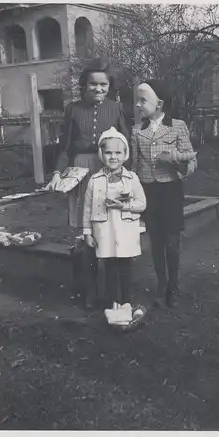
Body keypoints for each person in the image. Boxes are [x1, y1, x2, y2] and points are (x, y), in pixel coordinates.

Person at [47, 57, 130, 308]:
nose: (98, 89)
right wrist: (57, 173)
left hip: (109, 171)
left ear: (109, 86)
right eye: (93, 84)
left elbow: (126, 146)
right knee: (85, 233)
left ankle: (111, 293)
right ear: (84, 85)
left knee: (108, 227)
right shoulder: (73, 109)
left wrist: (127, 178)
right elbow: (65, 146)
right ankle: (89, 291)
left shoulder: (116, 108)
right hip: (82, 172)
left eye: (103, 85)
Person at [131, 80, 197, 309]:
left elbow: (192, 160)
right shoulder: (137, 130)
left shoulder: (177, 126)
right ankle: (161, 285)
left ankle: (173, 287)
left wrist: (177, 161)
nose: (138, 105)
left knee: (172, 242)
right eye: (137, 100)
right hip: (148, 190)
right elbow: (134, 167)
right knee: (156, 242)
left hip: (170, 190)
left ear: (159, 103)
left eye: (143, 100)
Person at [83, 127, 146, 309]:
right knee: (109, 266)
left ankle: (126, 301)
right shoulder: (94, 180)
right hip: (105, 229)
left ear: (125, 154)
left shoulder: (131, 178)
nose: (113, 157)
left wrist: (124, 206)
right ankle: (112, 302)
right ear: (101, 154)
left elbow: (142, 203)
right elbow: (87, 209)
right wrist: (87, 232)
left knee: (125, 267)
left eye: (118, 152)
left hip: (125, 229)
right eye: (108, 152)